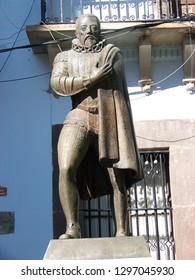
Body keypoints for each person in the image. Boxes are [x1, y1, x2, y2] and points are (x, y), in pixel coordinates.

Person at [50, 14, 143, 239]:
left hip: (108, 116)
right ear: (76, 32)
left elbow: (115, 86)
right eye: (84, 28)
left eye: (94, 28)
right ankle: (72, 227)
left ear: (99, 30)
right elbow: (57, 84)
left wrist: (98, 76)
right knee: (66, 167)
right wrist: (89, 79)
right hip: (79, 114)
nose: (89, 32)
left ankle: (121, 230)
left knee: (116, 177)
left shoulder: (111, 53)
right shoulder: (64, 57)